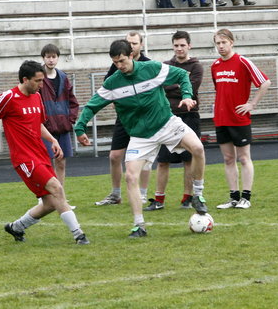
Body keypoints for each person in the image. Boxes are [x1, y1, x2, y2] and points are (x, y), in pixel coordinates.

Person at [75, 39, 208, 238]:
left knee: (197, 148)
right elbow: (93, 105)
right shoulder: (113, 82)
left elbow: (182, 75)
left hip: (166, 123)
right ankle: (139, 226)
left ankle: (198, 195)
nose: (119, 66)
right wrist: (79, 127)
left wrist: (187, 95)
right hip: (140, 135)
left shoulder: (152, 68)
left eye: (121, 61)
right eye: (115, 62)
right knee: (130, 176)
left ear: (131, 55)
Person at [0, 60, 89, 245]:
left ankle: (16, 227)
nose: (41, 85)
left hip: (40, 155)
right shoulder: (8, 97)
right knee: (57, 189)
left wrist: (53, 139)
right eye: (38, 81)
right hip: (24, 159)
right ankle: (79, 235)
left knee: (49, 203)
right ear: (25, 79)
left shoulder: (37, 97)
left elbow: (36, 124)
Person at [144, 31, 204, 211]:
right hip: (166, 118)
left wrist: (172, 88)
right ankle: (159, 200)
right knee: (163, 161)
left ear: (189, 46)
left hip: (189, 116)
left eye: (182, 45)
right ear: (172, 46)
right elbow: (159, 87)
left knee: (189, 159)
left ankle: (187, 198)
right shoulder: (165, 66)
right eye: (176, 45)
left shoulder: (196, 67)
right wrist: (175, 86)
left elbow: (190, 89)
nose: (179, 49)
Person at [211, 29, 271, 209]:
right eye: (217, 43)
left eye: (224, 42)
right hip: (221, 119)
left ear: (231, 42)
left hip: (239, 119)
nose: (220, 46)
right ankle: (234, 198)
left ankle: (246, 197)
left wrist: (251, 104)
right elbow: (220, 91)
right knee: (228, 158)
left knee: (244, 158)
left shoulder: (243, 62)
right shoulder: (215, 65)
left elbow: (265, 82)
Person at [95, 31, 152, 206]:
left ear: (141, 45)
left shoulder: (148, 65)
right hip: (124, 118)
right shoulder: (117, 65)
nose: (131, 46)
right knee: (114, 156)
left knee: (145, 159)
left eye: (134, 43)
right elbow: (108, 87)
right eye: (128, 42)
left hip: (144, 119)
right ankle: (115, 194)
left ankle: (142, 193)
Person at [39, 44, 79, 189]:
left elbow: (73, 101)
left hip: (62, 127)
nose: (51, 60)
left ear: (58, 58)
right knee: (45, 164)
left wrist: (70, 120)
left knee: (61, 162)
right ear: (43, 58)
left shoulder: (63, 77)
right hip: (45, 128)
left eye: (54, 57)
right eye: (48, 57)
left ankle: (60, 196)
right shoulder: (38, 77)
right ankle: (45, 196)